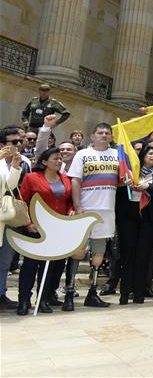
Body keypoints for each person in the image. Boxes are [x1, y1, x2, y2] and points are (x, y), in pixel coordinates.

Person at [68, 123, 120, 308]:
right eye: (100, 133)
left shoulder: (117, 154)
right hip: (86, 209)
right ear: (93, 136)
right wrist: (77, 205)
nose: (104, 135)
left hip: (107, 210)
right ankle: (69, 291)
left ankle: (92, 292)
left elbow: (123, 179)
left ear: (112, 137)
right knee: (78, 252)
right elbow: (75, 180)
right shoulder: (82, 154)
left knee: (98, 255)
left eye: (107, 133)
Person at [16, 147, 71, 315]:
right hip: (35, 228)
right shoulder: (32, 178)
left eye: (60, 159)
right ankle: (24, 300)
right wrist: (28, 223)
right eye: (55, 158)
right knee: (30, 266)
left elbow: (68, 200)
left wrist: (70, 210)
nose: (59, 161)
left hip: (56, 228)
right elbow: (22, 201)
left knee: (50, 265)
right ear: (44, 161)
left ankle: (43, 299)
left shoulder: (65, 178)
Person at [115, 145, 153, 305]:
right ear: (142, 156)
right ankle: (125, 292)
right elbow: (119, 194)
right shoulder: (130, 173)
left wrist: (149, 187)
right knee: (128, 255)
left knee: (143, 257)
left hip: (149, 219)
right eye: (150, 153)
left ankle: (139, 293)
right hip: (129, 218)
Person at [0, 139, 24, 310]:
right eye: (11, 142)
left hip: (4, 217)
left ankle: (0, 294)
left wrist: (15, 166)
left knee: (4, 262)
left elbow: (10, 186)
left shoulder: (3, 163)